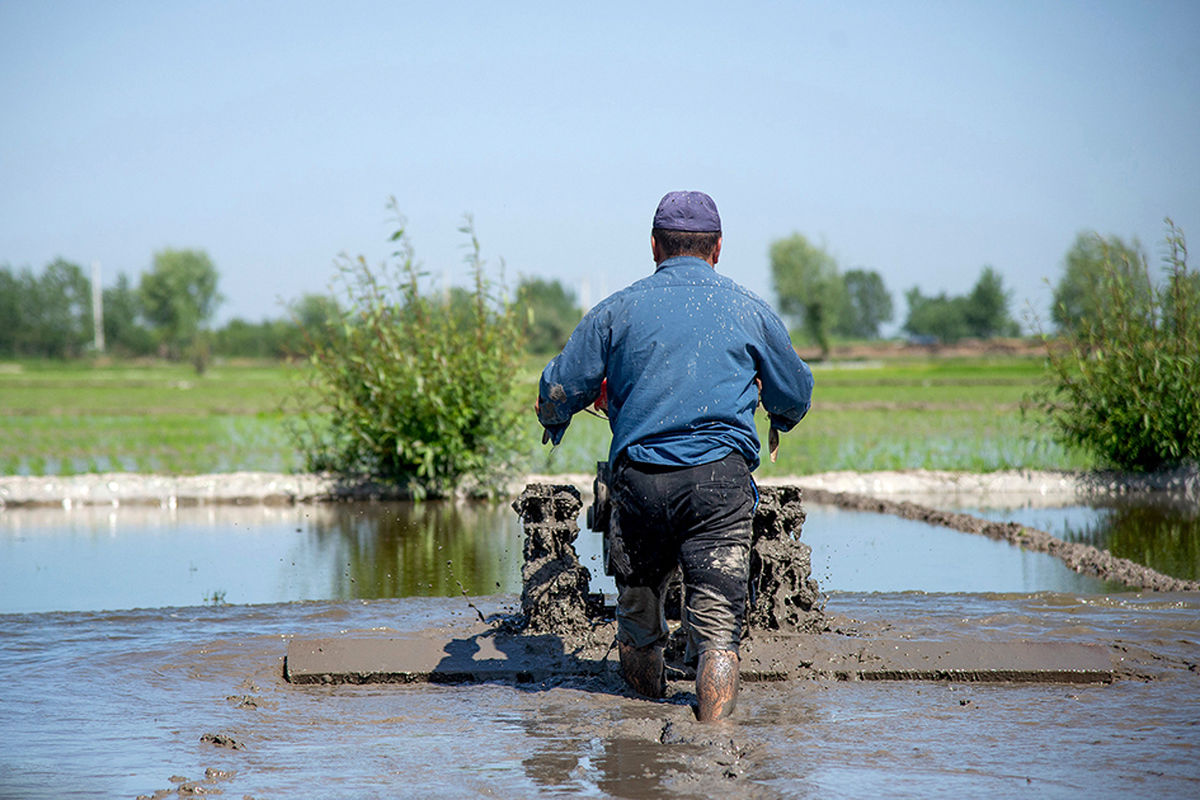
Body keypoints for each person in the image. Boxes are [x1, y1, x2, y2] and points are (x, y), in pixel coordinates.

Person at [535, 191, 813, 721]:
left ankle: (641, 728)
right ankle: (713, 746)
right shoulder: (749, 309)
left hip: (639, 483)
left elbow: (560, 387)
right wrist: (777, 415)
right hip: (718, 487)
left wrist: (556, 417)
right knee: (717, 633)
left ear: (655, 246)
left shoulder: (615, 310)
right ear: (718, 248)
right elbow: (795, 393)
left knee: (638, 621)